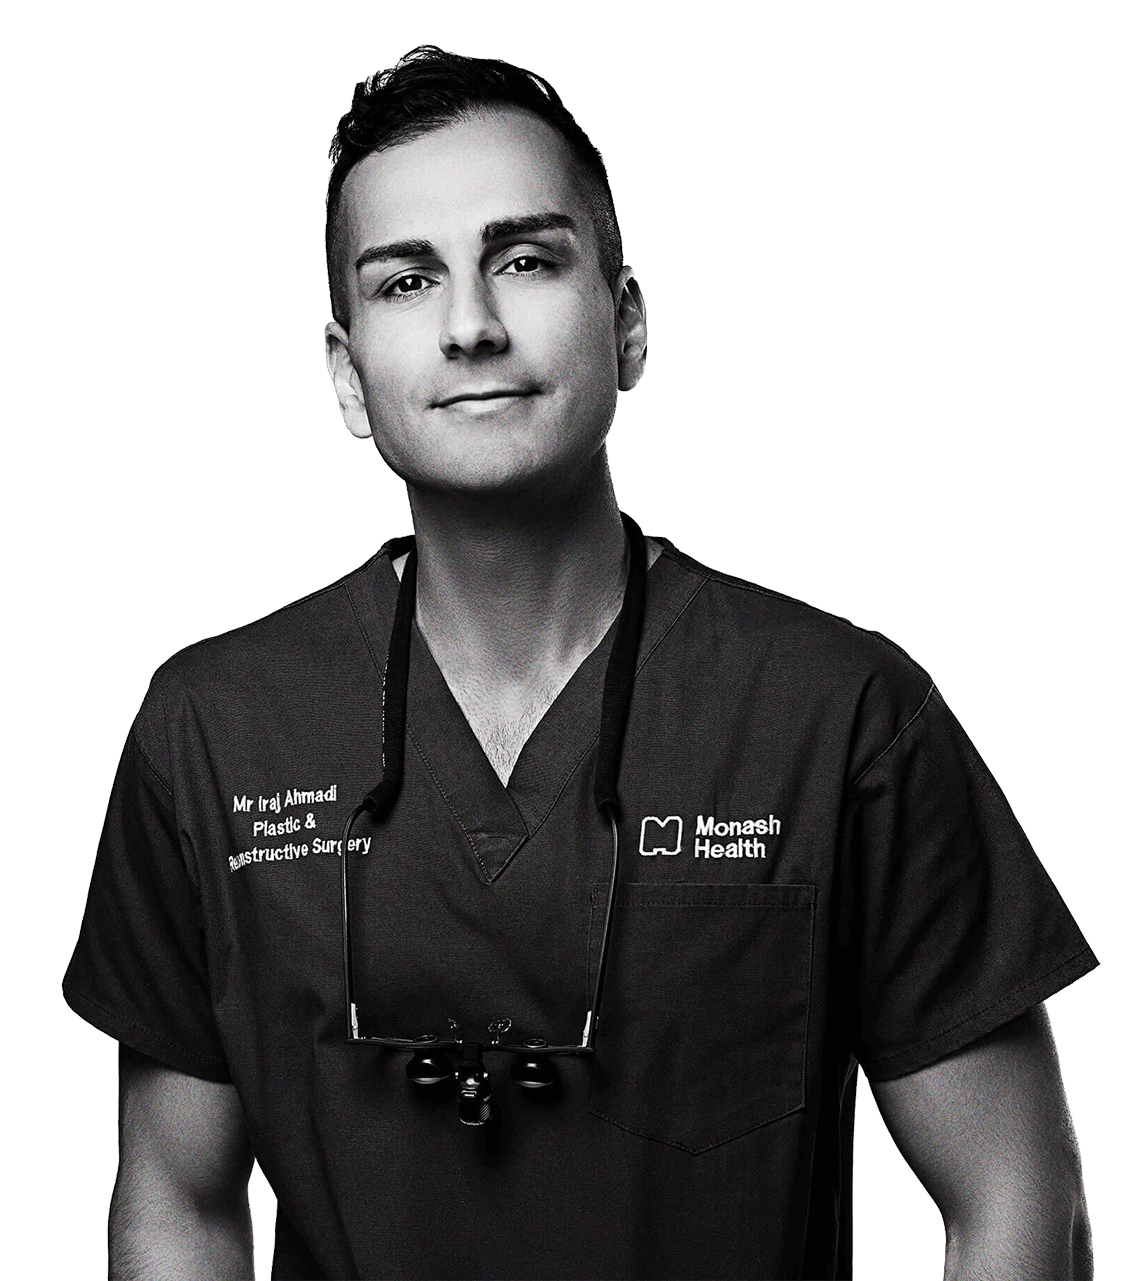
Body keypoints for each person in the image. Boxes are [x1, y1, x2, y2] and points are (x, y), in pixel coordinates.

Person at [63, 44, 1098, 1281]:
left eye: (524, 259)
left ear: (629, 320)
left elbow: (1016, 1206)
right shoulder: (212, 728)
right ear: (345, 376)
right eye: (406, 281)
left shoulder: (841, 716)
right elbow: (176, 1206)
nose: (470, 326)